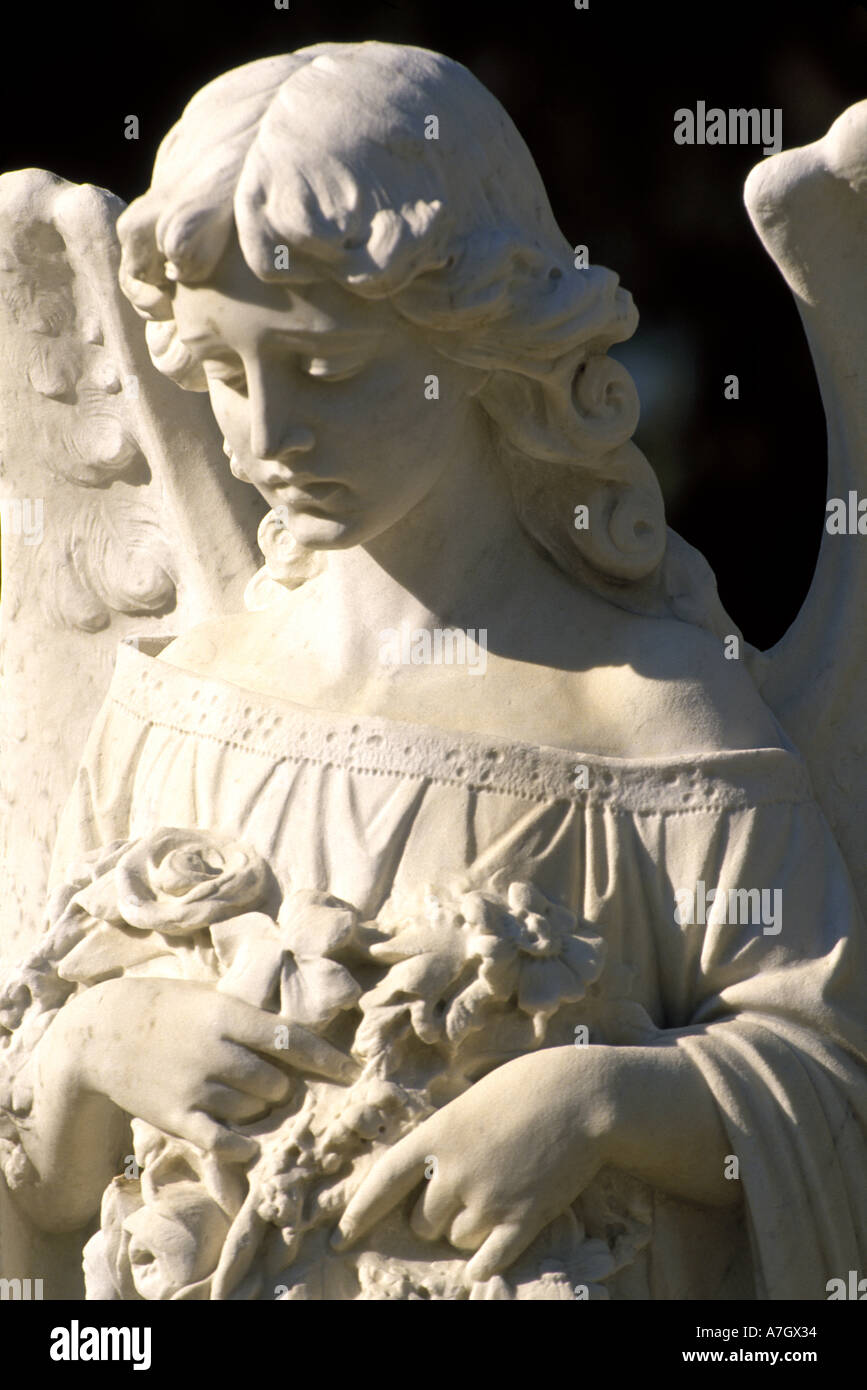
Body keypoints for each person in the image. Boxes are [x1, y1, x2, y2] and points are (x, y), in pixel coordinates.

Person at [7, 41, 867, 1299]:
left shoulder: (647, 723)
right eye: (225, 373)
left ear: (477, 337)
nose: (263, 433)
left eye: (325, 370)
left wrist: (604, 1101)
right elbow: (34, 1167)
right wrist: (92, 1048)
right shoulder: (177, 700)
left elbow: (834, 1095)